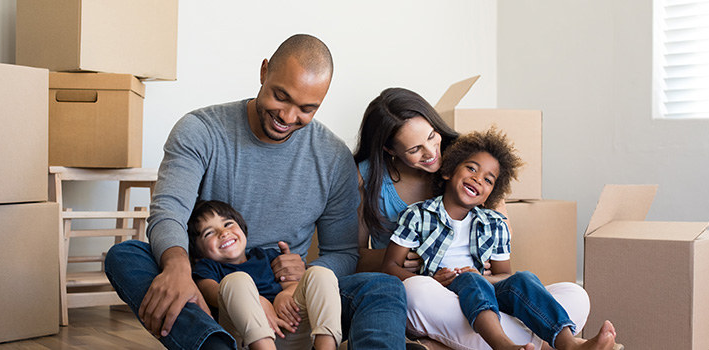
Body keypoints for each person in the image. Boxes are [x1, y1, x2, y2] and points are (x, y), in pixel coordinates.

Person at [105, 34, 408, 350]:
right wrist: (177, 268)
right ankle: (214, 344)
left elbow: (343, 252)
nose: (288, 117)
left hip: (292, 304)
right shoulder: (200, 130)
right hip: (214, 293)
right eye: (281, 96)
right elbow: (169, 211)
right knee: (126, 256)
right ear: (264, 72)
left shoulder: (333, 158)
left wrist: (305, 275)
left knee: (382, 287)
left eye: (307, 109)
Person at [352, 88, 593, 349]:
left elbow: (501, 258)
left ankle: (535, 341)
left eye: (432, 136)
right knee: (416, 292)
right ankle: (541, 342)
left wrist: (488, 271)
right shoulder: (375, 183)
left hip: (483, 292)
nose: (433, 152)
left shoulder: (467, 160)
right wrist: (411, 256)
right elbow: (358, 256)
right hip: (430, 292)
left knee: (575, 296)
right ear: (390, 149)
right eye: (414, 149)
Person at [383, 129, 622, 350]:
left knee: (563, 290)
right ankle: (505, 343)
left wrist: (483, 279)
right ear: (448, 171)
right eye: (472, 169)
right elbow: (389, 267)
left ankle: (569, 343)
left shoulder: (494, 223)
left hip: (486, 297)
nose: (478, 179)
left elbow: (505, 277)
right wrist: (433, 281)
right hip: (444, 297)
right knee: (415, 291)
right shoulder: (417, 215)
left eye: (488, 180)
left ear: (490, 195)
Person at [188, 200, 340, 350]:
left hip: (289, 328)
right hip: (247, 338)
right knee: (236, 280)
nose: (224, 233)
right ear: (198, 253)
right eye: (209, 233)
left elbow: (291, 283)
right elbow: (213, 294)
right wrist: (257, 300)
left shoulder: (264, 255)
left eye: (227, 224)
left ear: (242, 228)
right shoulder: (206, 267)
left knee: (320, 273)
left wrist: (285, 293)